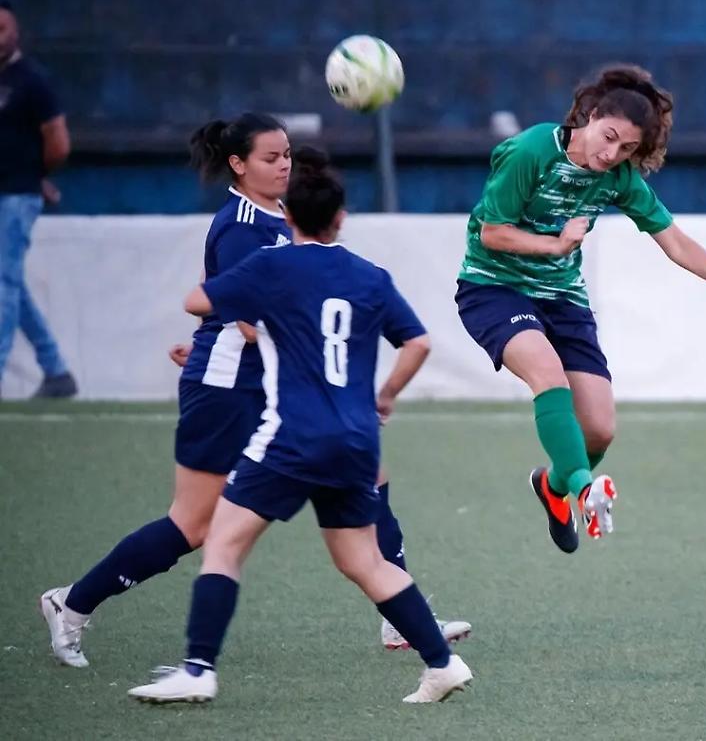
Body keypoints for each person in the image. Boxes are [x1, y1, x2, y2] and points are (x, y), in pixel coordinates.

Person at [39, 114, 468, 667]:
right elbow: (247, 319)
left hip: (274, 380)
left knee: (370, 474)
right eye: (271, 157)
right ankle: (71, 604)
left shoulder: (277, 219)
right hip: (229, 387)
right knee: (192, 525)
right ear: (238, 165)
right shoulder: (242, 225)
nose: (284, 164)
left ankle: (397, 617)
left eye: (287, 154)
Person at [456, 64, 706, 553]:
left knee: (600, 430)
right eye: (608, 138)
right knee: (548, 375)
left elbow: (673, 240)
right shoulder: (532, 151)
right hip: (494, 287)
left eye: (627, 148)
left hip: (562, 298)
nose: (612, 155)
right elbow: (492, 232)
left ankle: (554, 486)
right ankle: (585, 489)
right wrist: (554, 246)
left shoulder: (620, 178)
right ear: (588, 115)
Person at [0, 0, 77, 399]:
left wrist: (37, 176)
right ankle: (56, 371)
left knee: (3, 281)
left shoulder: (32, 80)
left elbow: (58, 142)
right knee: (9, 283)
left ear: (16, 32)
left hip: (17, 196)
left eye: (2, 29)